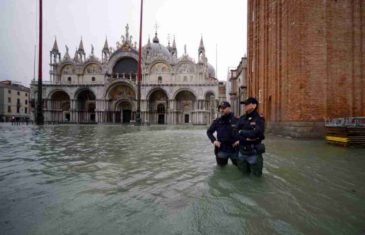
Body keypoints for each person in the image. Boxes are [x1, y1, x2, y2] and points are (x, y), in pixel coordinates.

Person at [237, 97, 265, 176]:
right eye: (244, 104)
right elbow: (235, 132)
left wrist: (241, 132)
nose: (245, 106)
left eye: (247, 104)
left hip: (254, 153)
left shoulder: (259, 118)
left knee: (256, 179)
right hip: (242, 152)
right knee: (243, 176)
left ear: (254, 105)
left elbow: (257, 133)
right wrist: (246, 136)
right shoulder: (242, 118)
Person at [207, 101, 239, 166]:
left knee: (239, 169)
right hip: (222, 149)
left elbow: (245, 131)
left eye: (223, 108)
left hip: (235, 149)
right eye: (220, 108)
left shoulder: (237, 120)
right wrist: (214, 141)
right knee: (221, 170)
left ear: (229, 108)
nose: (221, 110)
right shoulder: (217, 121)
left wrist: (240, 141)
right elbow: (209, 132)